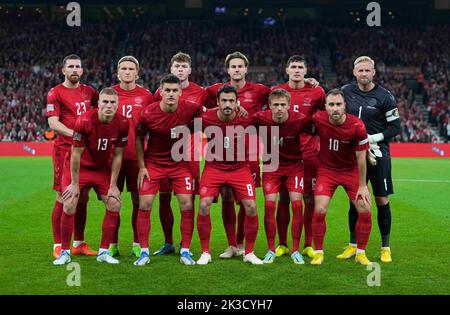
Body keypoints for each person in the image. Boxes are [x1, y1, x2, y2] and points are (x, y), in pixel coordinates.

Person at [53, 88, 129, 265]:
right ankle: (64, 252)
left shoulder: (123, 123)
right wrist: (74, 183)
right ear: (99, 103)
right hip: (80, 168)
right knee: (70, 202)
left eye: (112, 102)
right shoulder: (85, 120)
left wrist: (113, 185)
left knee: (115, 203)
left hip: (101, 169)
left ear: (117, 104)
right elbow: (75, 154)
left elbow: (118, 155)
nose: (108, 105)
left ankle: (103, 252)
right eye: (105, 102)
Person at [134, 74, 203, 266]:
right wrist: (142, 166)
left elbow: (212, 114)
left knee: (187, 205)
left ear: (180, 92)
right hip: (154, 164)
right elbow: (138, 138)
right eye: (168, 90)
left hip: (180, 165)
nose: (171, 94)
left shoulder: (191, 108)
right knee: (145, 204)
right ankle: (144, 252)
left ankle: (186, 251)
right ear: (161, 92)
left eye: (175, 90)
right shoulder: (148, 113)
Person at [206, 51, 270, 258]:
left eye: (240, 66)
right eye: (233, 66)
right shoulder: (216, 90)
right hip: (222, 152)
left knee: (246, 200)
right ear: (228, 69)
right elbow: (196, 99)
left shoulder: (259, 90)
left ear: (246, 68)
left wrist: (308, 81)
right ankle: (231, 244)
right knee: (226, 196)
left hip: (249, 154)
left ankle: (242, 243)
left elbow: (284, 96)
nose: (237, 69)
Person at [339, 56, 400, 263]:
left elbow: (395, 127)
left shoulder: (386, 97)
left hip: (378, 153)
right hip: (353, 154)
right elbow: (331, 106)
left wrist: (372, 138)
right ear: (354, 72)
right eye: (360, 70)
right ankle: (353, 245)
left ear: (374, 72)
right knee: (355, 200)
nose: (364, 74)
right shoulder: (345, 91)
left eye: (367, 70)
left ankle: (385, 247)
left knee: (381, 199)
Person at [196, 85, 263, 265]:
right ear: (217, 102)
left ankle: (249, 252)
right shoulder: (205, 118)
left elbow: (271, 118)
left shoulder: (247, 119)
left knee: (251, 207)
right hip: (214, 167)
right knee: (204, 205)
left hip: (240, 168)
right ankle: (205, 252)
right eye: (224, 100)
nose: (227, 104)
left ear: (237, 103)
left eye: (231, 101)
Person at [152, 52, 208, 256]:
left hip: (190, 155)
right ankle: (169, 242)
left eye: (184, 66)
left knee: (188, 200)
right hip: (165, 155)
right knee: (164, 198)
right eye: (177, 66)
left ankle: (186, 246)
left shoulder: (201, 92)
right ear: (171, 68)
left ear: (190, 70)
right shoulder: (161, 92)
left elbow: (213, 109)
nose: (180, 69)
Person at [271, 55, 325, 259]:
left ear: (306, 70)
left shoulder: (317, 92)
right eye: (292, 66)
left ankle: (308, 244)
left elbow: (325, 116)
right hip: (284, 155)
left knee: (309, 198)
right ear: (287, 70)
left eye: (300, 67)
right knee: (284, 198)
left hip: (309, 154)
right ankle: (283, 243)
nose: (296, 70)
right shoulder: (277, 92)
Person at [310, 89, 372, 266]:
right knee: (320, 210)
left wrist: (362, 185)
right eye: (331, 105)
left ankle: (361, 253)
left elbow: (362, 157)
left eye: (338, 104)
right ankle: (318, 252)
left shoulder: (357, 125)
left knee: (365, 209)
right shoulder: (318, 119)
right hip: (327, 171)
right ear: (325, 107)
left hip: (350, 171)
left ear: (345, 106)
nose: (335, 108)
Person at [46, 54, 98, 259]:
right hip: (65, 151)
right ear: (63, 70)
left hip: (86, 152)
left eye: (78, 66)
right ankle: (58, 245)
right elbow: (53, 123)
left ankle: (78, 243)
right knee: (63, 195)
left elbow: (100, 111)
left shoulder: (90, 92)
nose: (75, 70)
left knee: (83, 196)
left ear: (82, 71)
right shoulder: (55, 93)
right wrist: (75, 134)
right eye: (71, 67)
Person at [252, 88, 312, 265]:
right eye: (275, 105)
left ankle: (295, 250)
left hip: (295, 167)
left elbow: (320, 129)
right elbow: (241, 122)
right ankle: (271, 249)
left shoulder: (300, 120)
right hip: (271, 168)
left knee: (297, 206)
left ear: (289, 106)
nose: (279, 108)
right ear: (269, 105)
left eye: (282, 105)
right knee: (270, 207)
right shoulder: (260, 118)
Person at [108, 56, 155, 258]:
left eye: (131, 69)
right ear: (118, 72)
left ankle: (137, 243)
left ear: (138, 72)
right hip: (113, 158)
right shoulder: (109, 94)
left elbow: (152, 126)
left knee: (139, 202)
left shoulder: (146, 96)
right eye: (123, 69)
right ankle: (112, 244)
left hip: (138, 159)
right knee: (113, 202)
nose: (127, 72)